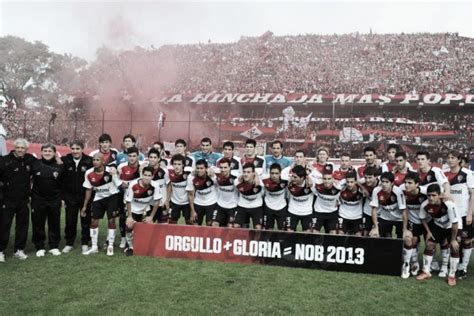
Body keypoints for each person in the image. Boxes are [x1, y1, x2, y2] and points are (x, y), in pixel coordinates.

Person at [0, 138, 36, 262]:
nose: (20, 150)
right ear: (14, 148)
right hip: (7, 200)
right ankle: (0, 250)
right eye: (18, 147)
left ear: (26, 149)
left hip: (23, 200)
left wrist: (58, 161)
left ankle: (19, 250)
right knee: (4, 226)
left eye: (23, 148)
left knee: (22, 226)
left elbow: (43, 166)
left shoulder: (30, 160)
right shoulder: (4, 161)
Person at [416, 184, 460, 286]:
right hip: (438, 226)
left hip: (452, 226)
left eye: (434, 195)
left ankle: (452, 275)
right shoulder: (425, 205)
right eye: (429, 195)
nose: (431, 198)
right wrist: (429, 232)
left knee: (455, 246)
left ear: (440, 195)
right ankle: (426, 272)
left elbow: (455, 223)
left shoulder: (449, 205)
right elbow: (422, 218)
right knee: (429, 244)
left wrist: (453, 240)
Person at [81, 153, 121, 256]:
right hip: (98, 198)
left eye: (98, 160)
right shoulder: (88, 173)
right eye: (94, 160)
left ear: (103, 161)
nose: (95, 162)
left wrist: (116, 176)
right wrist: (85, 206)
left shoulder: (110, 171)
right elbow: (88, 190)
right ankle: (94, 247)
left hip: (112, 197)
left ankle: (110, 246)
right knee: (94, 221)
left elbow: (119, 185)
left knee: (111, 220)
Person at [443, 150, 474, 279]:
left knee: (466, 240)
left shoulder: (468, 174)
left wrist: (470, 213)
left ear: (459, 160)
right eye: (448, 157)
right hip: (450, 214)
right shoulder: (444, 174)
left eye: (453, 158)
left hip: (464, 213)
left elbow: (473, 194)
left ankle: (463, 268)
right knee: (453, 240)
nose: (450, 160)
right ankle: (453, 265)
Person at [30, 143, 64, 257]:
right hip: (38, 199)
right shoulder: (35, 164)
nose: (47, 153)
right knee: (38, 223)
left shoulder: (60, 165)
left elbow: (64, 183)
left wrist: (62, 198)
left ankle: (54, 246)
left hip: (54, 199)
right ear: (41, 152)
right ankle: (39, 247)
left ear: (54, 153)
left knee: (54, 222)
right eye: (45, 151)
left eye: (50, 151)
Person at [61, 140, 93, 254]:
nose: (75, 151)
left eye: (77, 148)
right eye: (73, 148)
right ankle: (69, 243)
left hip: (85, 197)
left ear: (82, 149)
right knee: (70, 220)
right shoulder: (65, 160)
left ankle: (85, 242)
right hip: (70, 197)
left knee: (86, 219)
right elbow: (61, 179)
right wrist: (63, 196)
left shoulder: (89, 161)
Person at [124, 166, 162, 256]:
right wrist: (129, 216)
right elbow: (128, 201)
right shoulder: (133, 184)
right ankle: (129, 246)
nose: (146, 177)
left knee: (149, 225)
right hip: (132, 209)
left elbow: (157, 201)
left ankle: (144, 246)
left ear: (152, 176)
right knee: (129, 226)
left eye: (149, 175)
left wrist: (151, 217)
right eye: (145, 175)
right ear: (142, 175)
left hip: (145, 209)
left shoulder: (155, 185)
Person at [400, 172, 427, 278]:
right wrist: (405, 228)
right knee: (411, 240)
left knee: (429, 243)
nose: (406, 185)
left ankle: (429, 267)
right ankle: (409, 265)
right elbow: (404, 210)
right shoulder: (402, 190)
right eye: (405, 182)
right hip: (413, 221)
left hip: (427, 221)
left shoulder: (425, 192)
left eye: (410, 183)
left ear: (417, 184)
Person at [117, 147, 142, 249]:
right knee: (123, 217)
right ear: (127, 156)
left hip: (138, 197)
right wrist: (121, 184)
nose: (132, 158)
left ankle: (137, 239)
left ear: (138, 156)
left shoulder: (142, 166)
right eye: (130, 156)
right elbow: (117, 181)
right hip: (123, 196)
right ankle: (123, 238)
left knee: (138, 217)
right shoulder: (121, 167)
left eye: (134, 156)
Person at [369, 172, 406, 238]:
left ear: (392, 183)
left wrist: (405, 229)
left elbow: (404, 211)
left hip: (399, 219)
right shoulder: (376, 190)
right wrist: (376, 227)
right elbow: (374, 209)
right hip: (384, 218)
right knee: (374, 235)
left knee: (406, 238)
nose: (384, 184)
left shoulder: (398, 192)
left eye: (387, 182)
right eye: (382, 182)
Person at [165, 154, 196, 224]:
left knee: (190, 223)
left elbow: (191, 193)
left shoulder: (189, 173)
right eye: (175, 164)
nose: (176, 166)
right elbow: (169, 186)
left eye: (179, 164)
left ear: (183, 165)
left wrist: (193, 210)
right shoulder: (169, 172)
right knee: (172, 223)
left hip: (187, 202)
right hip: (174, 202)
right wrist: (167, 200)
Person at [188, 159, 218, 226]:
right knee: (195, 224)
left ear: (206, 168)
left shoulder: (212, 177)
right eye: (198, 168)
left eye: (201, 168)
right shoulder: (191, 177)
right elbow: (190, 195)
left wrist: (212, 171)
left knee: (210, 224)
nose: (199, 170)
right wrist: (192, 211)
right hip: (198, 203)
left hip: (211, 203)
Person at [234, 163, 263, 229]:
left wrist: (257, 176)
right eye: (244, 172)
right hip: (242, 206)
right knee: (236, 226)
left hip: (256, 206)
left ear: (253, 173)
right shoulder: (237, 182)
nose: (246, 174)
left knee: (258, 227)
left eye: (248, 172)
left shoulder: (260, 183)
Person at [286, 165, 315, 232]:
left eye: (295, 177)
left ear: (302, 178)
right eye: (292, 176)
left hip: (306, 212)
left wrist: (312, 186)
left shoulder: (310, 183)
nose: (292, 178)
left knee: (308, 233)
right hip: (292, 211)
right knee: (289, 232)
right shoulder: (289, 182)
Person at [212, 158, 239, 227]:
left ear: (230, 167)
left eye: (225, 167)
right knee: (214, 225)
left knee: (230, 227)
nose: (223, 170)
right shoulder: (216, 177)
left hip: (232, 206)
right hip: (220, 205)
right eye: (221, 167)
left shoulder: (235, 178)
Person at [145, 148, 169, 223]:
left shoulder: (164, 171)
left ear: (159, 159)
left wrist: (167, 201)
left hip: (162, 203)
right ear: (148, 158)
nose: (152, 159)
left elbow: (169, 186)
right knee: (148, 225)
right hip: (149, 204)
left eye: (155, 157)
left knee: (163, 227)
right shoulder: (144, 171)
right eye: (151, 157)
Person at [313, 170, 341, 234]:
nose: (327, 181)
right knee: (314, 233)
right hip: (319, 212)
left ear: (332, 179)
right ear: (322, 179)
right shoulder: (318, 186)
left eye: (329, 179)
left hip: (332, 213)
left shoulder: (338, 188)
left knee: (333, 234)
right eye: (325, 179)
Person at [262, 164, 288, 230]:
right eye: (272, 173)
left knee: (282, 231)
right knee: (267, 231)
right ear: (269, 173)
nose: (274, 175)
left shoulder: (285, 181)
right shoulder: (264, 181)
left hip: (281, 208)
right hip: (268, 208)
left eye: (276, 173)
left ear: (280, 174)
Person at [338, 172, 364, 236]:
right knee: (340, 235)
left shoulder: (360, 190)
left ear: (355, 182)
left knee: (358, 236)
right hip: (343, 215)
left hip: (357, 217)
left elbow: (367, 194)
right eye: (348, 182)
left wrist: (359, 184)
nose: (349, 184)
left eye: (352, 182)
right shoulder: (342, 188)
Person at [360, 167, 380, 236]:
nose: (367, 180)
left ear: (376, 177)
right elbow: (356, 182)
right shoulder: (363, 181)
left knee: (378, 234)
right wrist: (363, 189)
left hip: (379, 214)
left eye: (370, 178)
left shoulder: (381, 184)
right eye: (366, 177)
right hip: (367, 212)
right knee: (365, 233)